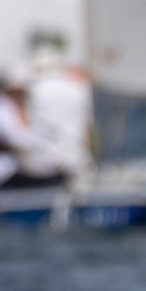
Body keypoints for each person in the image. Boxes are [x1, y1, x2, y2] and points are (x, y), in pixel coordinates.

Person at [25, 32, 93, 182]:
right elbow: (88, 126)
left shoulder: (34, 89)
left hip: (43, 161)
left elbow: (28, 125)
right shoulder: (79, 88)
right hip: (76, 158)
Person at [0, 70, 59, 190]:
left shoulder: (21, 107)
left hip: (20, 167)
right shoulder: (2, 107)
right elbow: (16, 139)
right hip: (4, 170)